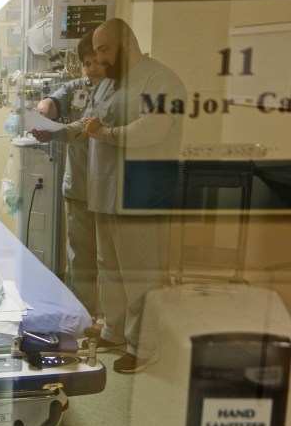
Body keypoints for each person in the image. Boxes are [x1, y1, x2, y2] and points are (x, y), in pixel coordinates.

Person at [80, 18, 185, 374]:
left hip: (141, 193)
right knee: (109, 266)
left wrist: (107, 133)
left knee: (140, 271)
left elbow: (152, 128)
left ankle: (144, 346)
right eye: (96, 52)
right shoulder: (109, 82)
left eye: (104, 49)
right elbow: (92, 119)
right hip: (105, 189)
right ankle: (115, 330)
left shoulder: (161, 79)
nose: (100, 58)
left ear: (127, 41)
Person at [32, 31, 104, 326]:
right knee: (81, 260)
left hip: (110, 190)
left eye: (98, 61)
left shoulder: (120, 92)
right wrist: (43, 108)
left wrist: (55, 131)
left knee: (110, 261)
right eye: (88, 63)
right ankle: (83, 316)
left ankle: (110, 320)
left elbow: (82, 128)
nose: (92, 68)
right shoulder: (79, 87)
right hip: (79, 188)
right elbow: (55, 99)